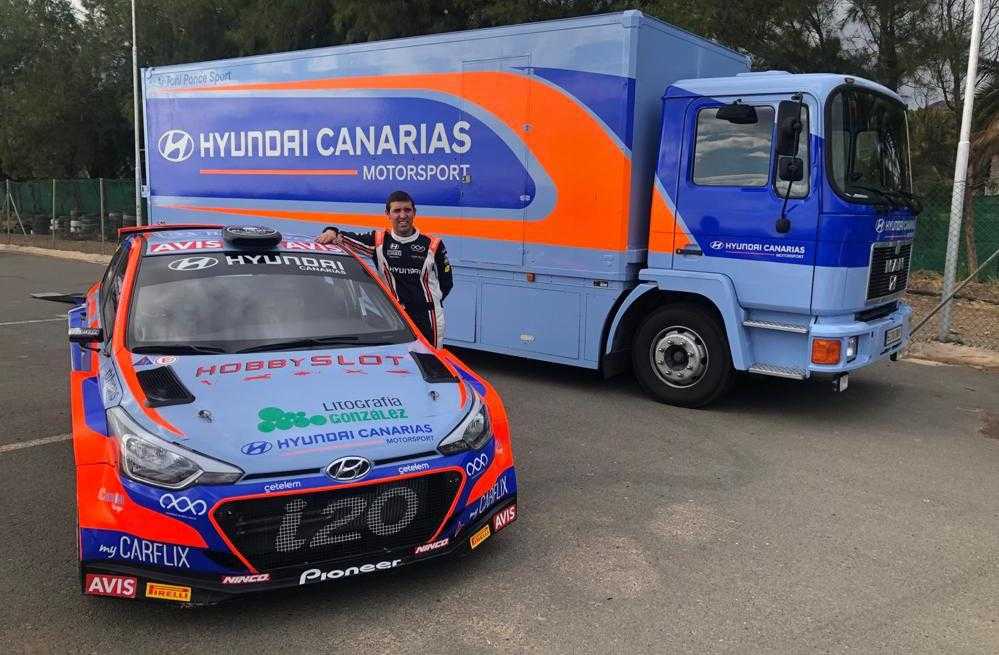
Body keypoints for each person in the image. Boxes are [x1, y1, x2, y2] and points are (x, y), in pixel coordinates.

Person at [316, 191, 453, 348]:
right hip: (395, 318)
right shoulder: (379, 241)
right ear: (388, 214)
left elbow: (446, 283)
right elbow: (343, 238)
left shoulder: (433, 244)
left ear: (414, 212)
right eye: (397, 211)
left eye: (407, 210)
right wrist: (331, 231)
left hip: (428, 316)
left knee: (430, 358)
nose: (403, 215)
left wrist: (429, 302)